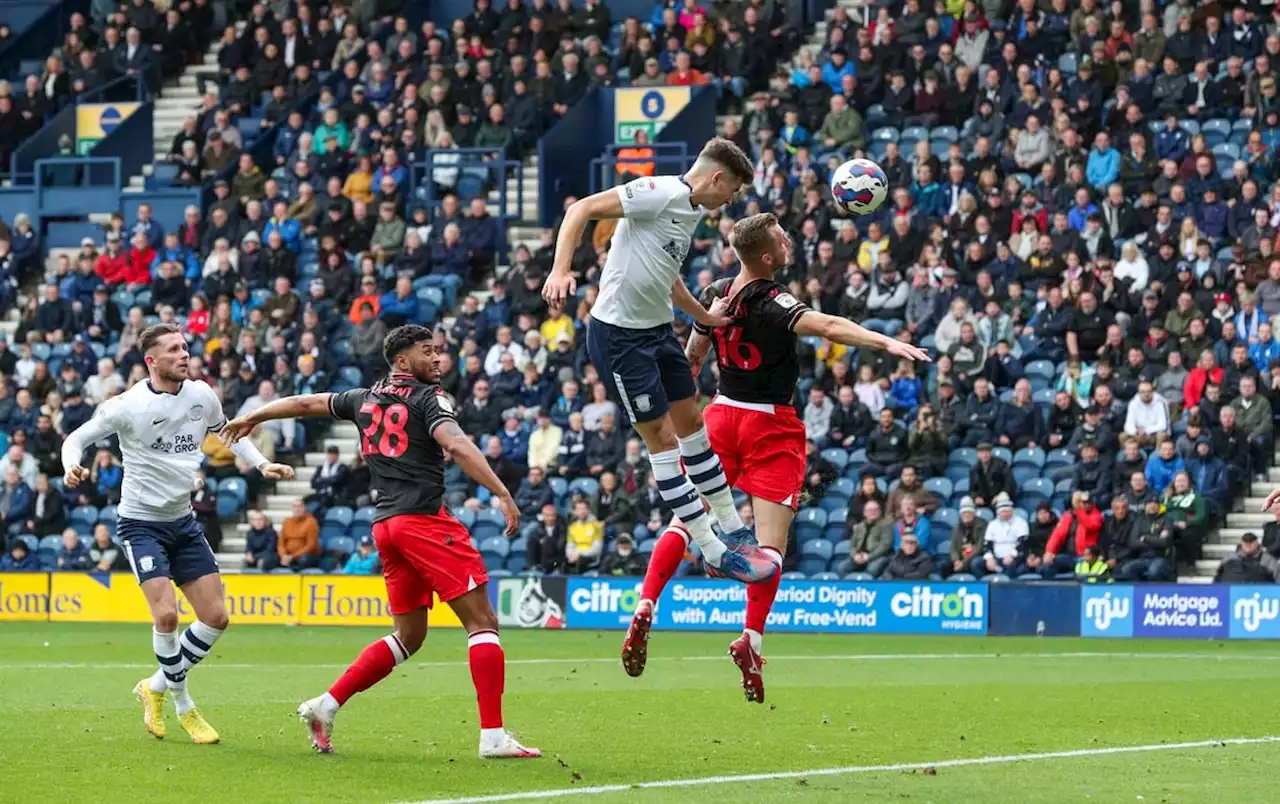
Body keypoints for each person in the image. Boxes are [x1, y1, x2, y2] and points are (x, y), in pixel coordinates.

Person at [624, 212, 929, 702]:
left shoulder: (717, 293)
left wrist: (689, 388)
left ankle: (645, 604)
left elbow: (694, 355)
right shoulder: (774, 299)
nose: (789, 240)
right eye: (782, 239)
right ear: (766, 256)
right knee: (770, 549)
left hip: (720, 414)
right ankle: (751, 639)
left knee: (687, 521)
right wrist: (885, 340)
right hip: (771, 424)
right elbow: (826, 325)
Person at [220, 324, 540, 759]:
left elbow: (305, 402)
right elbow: (458, 446)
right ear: (403, 360)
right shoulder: (431, 399)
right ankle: (493, 737)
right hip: (424, 522)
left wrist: (255, 415)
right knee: (482, 623)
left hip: (386, 526)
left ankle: (325, 705)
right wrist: (502, 492)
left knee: (409, 635)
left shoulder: (363, 398)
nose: (438, 359)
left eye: (438, 352)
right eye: (428, 352)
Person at [542, 137, 772, 586]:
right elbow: (580, 210)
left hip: (658, 331)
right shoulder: (658, 192)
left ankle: (735, 531)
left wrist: (703, 317)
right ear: (717, 178)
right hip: (619, 339)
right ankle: (712, 549)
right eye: (734, 190)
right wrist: (560, 269)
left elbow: (667, 275)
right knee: (664, 442)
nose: (732, 200)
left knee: (694, 426)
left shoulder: (692, 211)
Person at [59, 323, 292, 745]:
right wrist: (69, 465)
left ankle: (154, 685)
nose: (185, 354)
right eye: (174, 349)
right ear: (151, 360)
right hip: (140, 523)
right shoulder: (125, 406)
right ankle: (185, 705)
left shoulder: (201, 394)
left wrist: (261, 464)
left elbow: (227, 432)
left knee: (217, 618)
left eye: (185, 347)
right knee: (166, 616)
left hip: (182, 521)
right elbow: (76, 438)